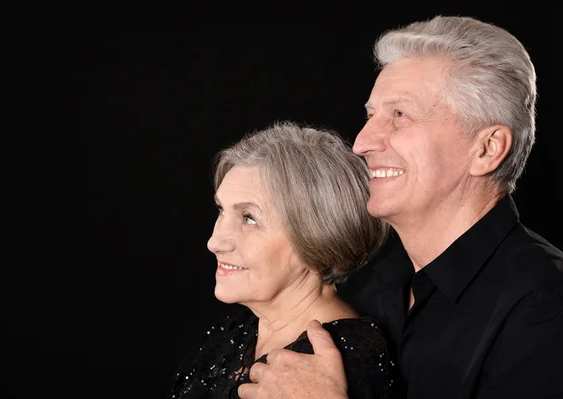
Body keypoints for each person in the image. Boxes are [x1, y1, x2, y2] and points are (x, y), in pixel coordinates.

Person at [237, 15, 563, 399]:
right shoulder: (381, 287)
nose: (362, 143)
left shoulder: (546, 305)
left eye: (399, 115)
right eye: (371, 116)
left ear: (487, 149)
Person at [170, 121, 401, 398]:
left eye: (249, 218)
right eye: (222, 211)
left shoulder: (348, 362)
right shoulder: (236, 333)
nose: (214, 242)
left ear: (317, 237)